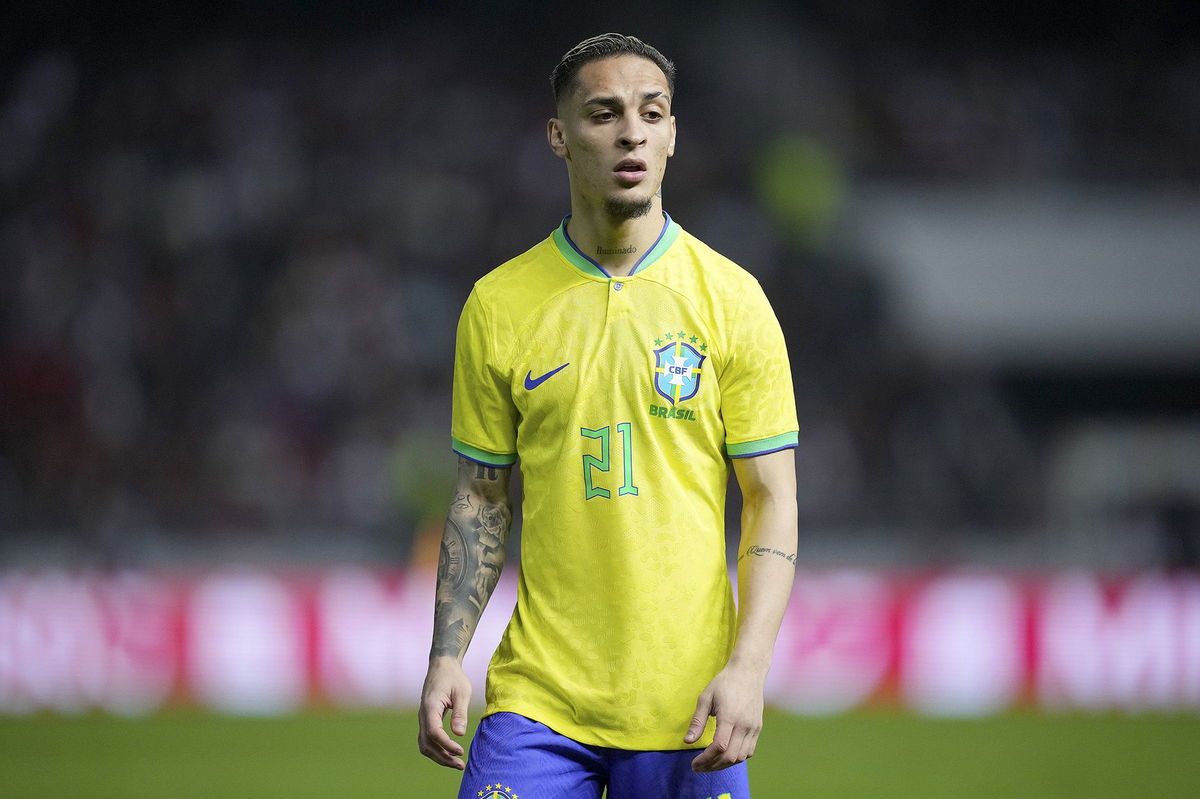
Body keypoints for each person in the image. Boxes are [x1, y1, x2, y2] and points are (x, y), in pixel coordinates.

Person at [417, 32, 799, 799]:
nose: (631, 131)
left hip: (687, 708)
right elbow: (480, 496)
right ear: (559, 136)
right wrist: (447, 653)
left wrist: (748, 669)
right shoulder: (499, 304)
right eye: (604, 113)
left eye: (651, 113)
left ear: (671, 134)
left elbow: (771, 497)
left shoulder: (733, 301)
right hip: (538, 701)